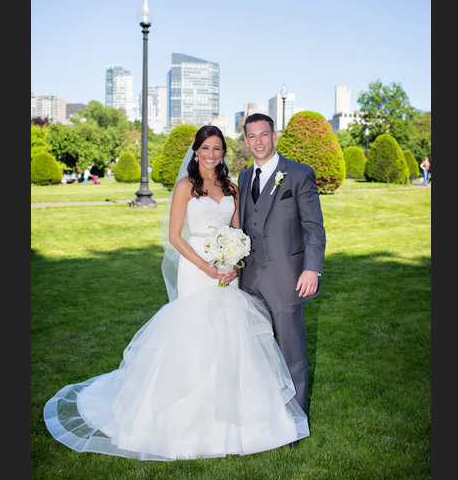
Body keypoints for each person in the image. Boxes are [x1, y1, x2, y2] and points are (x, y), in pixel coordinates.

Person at [43, 125, 308, 461]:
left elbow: (238, 230)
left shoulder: (232, 187)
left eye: (217, 149)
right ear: (195, 151)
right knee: (196, 335)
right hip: (197, 271)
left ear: (223, 152)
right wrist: (207, 267)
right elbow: (176, 236)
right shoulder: (185, 187)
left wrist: (234, 262)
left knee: (232, 334)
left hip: (227, 269)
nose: (211, 155)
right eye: (205, 148)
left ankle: (240, 416)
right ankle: (186, 420)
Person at [237, 113, 326, 423]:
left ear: (274, 136)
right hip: (249, 280)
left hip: (287, 277)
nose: (258, 141)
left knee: (292, 354)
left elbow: (314, 228)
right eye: (252, 136)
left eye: (264, 134)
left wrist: (311, 269)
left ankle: (296, 420)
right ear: (246, 140)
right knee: (256, 350)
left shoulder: (299, 174)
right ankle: (264, 412)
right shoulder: (244, 177)